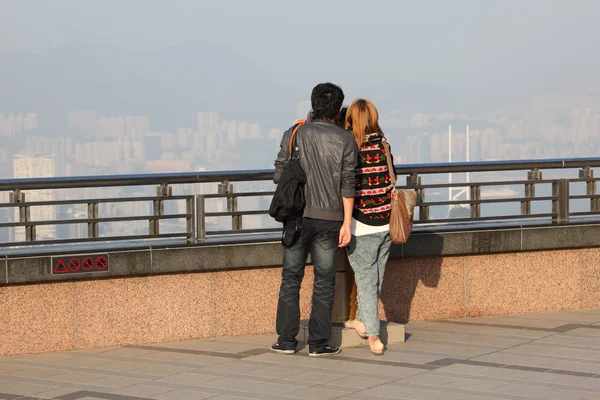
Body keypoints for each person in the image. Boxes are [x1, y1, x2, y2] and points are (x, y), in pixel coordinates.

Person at [272, 83, 358, 357]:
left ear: (313, 104)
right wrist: (346, 223)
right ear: (338, 109)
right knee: (324, 282)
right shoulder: (346, 140)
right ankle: (319, 345)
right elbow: (347, 184)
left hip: (297, 217)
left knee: (291, 279)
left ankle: (286, 341)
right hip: (330, 220)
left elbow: (279, 175)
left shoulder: (295, 132)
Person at [343, 99, 396, 356]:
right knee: (376, 276)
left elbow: (347, 187)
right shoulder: (384, 146)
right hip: (387, 222)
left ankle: (372, 335)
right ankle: (360, 320)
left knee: (365, 278)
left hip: (362, 224)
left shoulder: (351, 149)